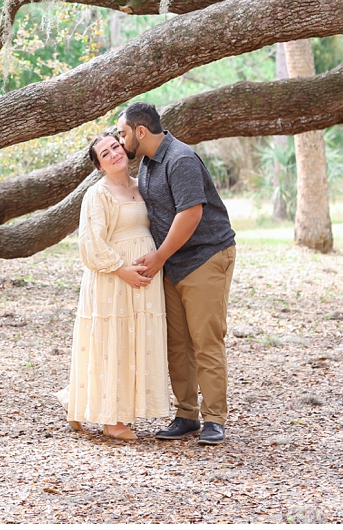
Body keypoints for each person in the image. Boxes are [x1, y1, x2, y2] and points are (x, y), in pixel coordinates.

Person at [117, 102, 237, 446]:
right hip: (173, 263)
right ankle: (187, 415)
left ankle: (214, 419)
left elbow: (191, 214)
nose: (120, 140)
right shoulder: (149, 164)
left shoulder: (180, 159)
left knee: (206, 340)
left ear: (141, 132)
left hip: (205, 255)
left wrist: (157, 257)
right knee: (178, 343)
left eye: (123, 133)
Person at [56, 131, 170, 440]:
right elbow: (91, 243)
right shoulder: (98, 193)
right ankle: (112, 421)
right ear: (100, 165)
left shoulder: (141, 186)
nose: (114, 154)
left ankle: (77, 404)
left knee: (131, 345)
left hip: (143, 279)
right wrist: (123, 271)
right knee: (112, 344)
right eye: (105, 154)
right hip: (112, 280)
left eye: (115, 147)